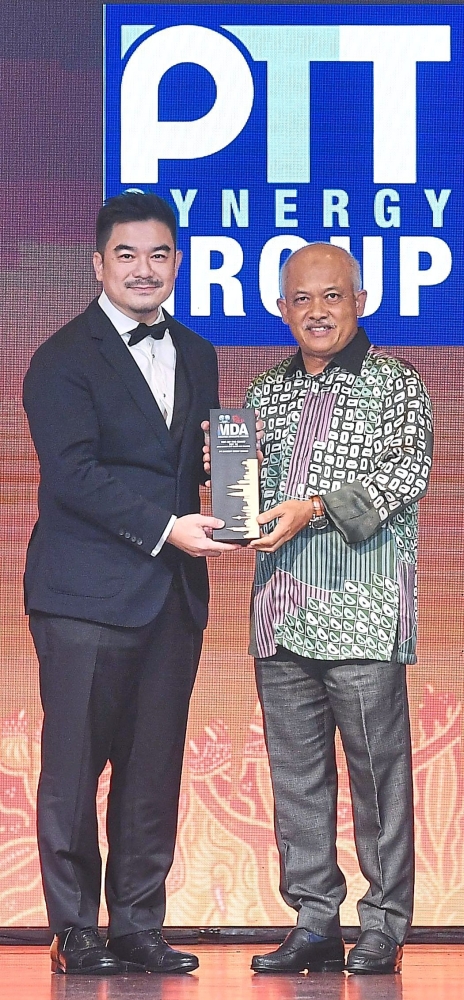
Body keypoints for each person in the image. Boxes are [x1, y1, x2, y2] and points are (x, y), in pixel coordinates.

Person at [23, 191, 237, 976]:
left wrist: (220, 473)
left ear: (178, 263)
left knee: (153, 772)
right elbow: (73, 476)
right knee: (75, 766)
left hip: (172, 598)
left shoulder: (199, 350)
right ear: (98, 264)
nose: (144, 269)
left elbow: (194, 458)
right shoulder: (62, 356)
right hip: (84, 597)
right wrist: (166, 527)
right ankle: (76, 930)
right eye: (127, 255)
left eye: (159, 255)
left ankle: (139, 925)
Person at [245, 243, 433, 974]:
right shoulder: (265, 392)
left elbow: (403, 475)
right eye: (301, 299)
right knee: (296, 778)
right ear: (281, 308)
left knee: (376, 777)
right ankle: (315, 919)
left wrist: (313, 508)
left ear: (361, 300)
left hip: (362, 612)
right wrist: (221, 472)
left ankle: (384, 920)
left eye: (331, 296)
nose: (316, 311)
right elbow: (251, 491)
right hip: (281, 611)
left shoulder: (397, 385)